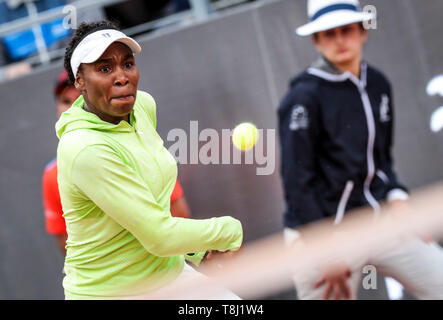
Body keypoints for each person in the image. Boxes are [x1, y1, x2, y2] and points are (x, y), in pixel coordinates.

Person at [55, 20, 243, 299]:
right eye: (105, 68)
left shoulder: (143, 106)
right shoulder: (85, 149)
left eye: (127, 64)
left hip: (168, 274)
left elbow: (148, 207)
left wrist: (197, 249)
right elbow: (159, 235)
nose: (122, 77)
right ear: (79, 80)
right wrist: (229, 230)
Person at [277, 0, 443, 300]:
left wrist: (397, 198)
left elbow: (381, 160)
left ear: (363, 31)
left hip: (379, 221)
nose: (340, 40)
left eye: (347, 30)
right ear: (316, 40)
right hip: (322, 234)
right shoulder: (302, 98)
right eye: (329, 33)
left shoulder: (378, 83)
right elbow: (297, 183)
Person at [43, 72, 191, 253]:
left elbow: (179, 214)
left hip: (164, 261)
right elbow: (67, 243)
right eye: (66, 102)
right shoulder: (52, 174)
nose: (73, 108)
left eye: (79, 99)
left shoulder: (139, 149)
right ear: (57, 108)